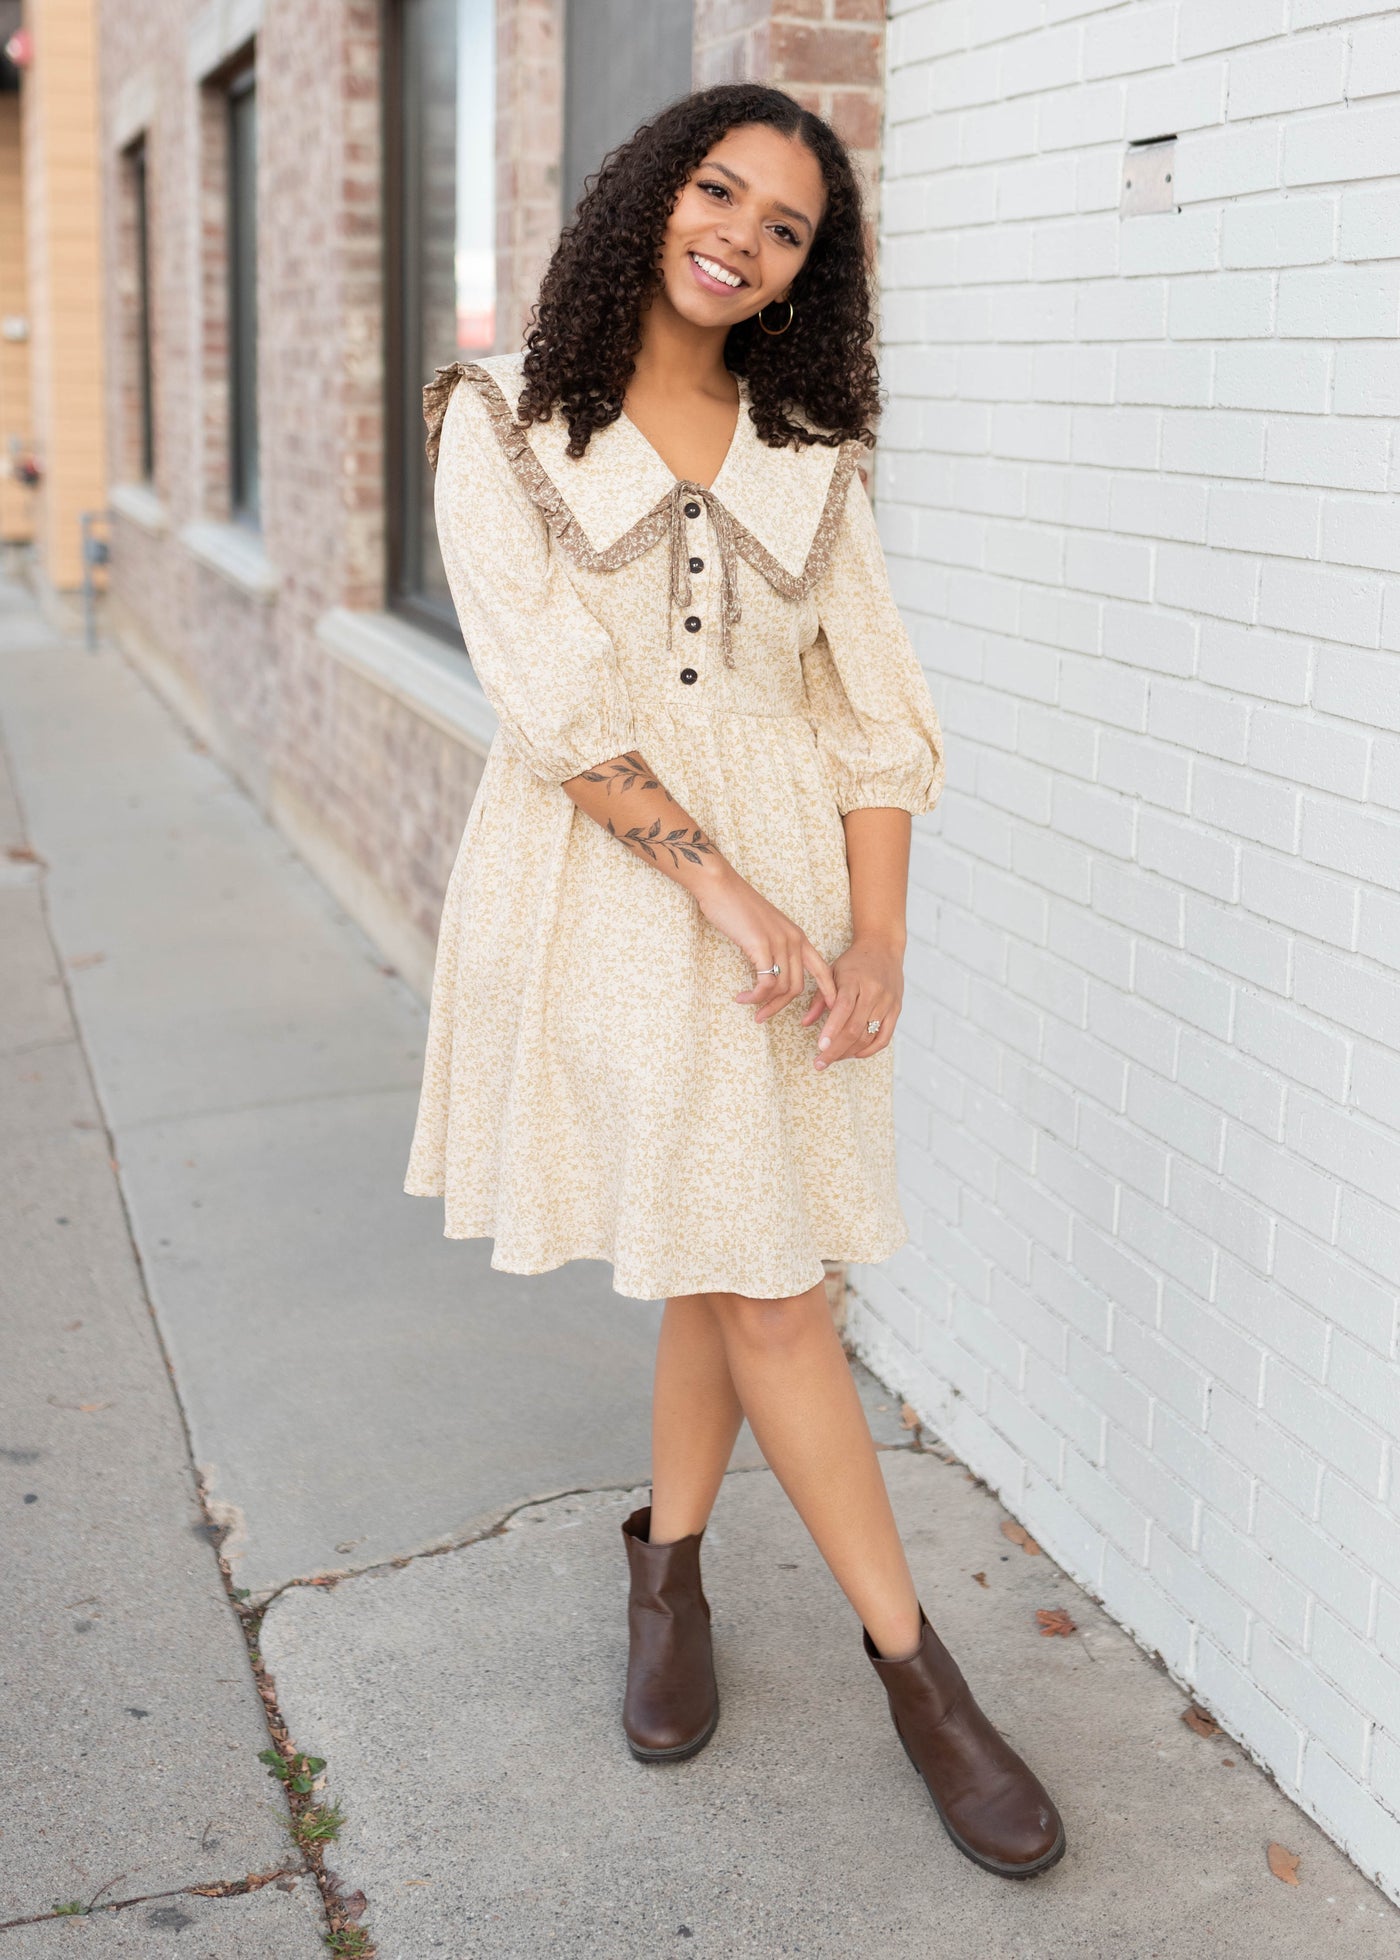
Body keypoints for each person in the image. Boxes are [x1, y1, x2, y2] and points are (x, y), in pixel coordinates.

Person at [405, 81, 1065, 1880]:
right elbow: (549, 710)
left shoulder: (808, 449)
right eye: (722, 192)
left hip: (793, 897)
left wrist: (879, 933)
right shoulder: (507, 422)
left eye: (788, 227)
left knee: (730, 1250)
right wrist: (718, 892)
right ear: (654, 190)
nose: (744, 236)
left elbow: (871, 713)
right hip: (614, 889)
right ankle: (924, 1682)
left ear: (805, 272)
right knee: (775, 1289)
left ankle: (668, 1578)